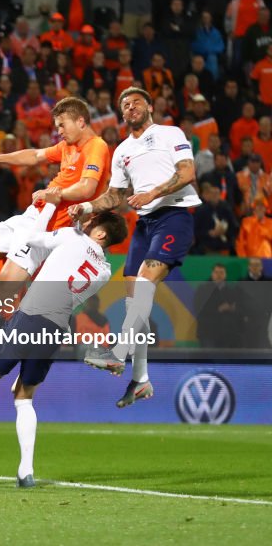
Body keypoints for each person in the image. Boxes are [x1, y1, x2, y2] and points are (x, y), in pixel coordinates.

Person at [0, 212, 126, 487]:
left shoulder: (72, 236)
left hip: (32, 316)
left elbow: (30, 238)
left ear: (101, 233)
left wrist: (41, 210)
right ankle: (26, 471)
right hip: (57, 328)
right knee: (25, 396)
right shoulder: (104, 270)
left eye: (93, 222)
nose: (87, 222)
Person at [70, 87, 200, 407]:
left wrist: (152, 193)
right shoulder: (122, 151)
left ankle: (117, 353)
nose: (130, 108)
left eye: (136, 102)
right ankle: (140, 380)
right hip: (144, 225)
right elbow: (115, 195)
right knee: (134, 303)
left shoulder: (170, 133)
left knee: (144, 284)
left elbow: (187, 173)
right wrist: (86, 208)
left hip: (173, 216)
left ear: (150, 106)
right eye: (125, 105)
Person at [0, 98, 110, 302]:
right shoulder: (68, 145)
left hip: (52, 224)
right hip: (36, 212)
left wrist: (54, 194)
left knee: (3, 292)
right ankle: (27, 275)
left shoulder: (96, 147)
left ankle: (22, 302)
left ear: (81, 122)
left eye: (62, 125)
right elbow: (36, 155)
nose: (59, 131)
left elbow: (87, 188)